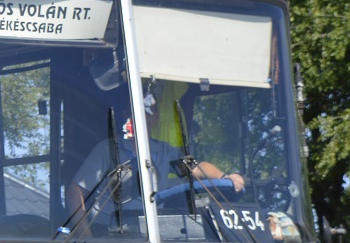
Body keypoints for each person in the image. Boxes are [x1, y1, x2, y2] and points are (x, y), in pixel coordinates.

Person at [67, 83, 244, 229]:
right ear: (126, 115)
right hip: (110, 233)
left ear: (156, 117)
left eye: (147, 112)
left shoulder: (166, 151)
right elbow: (75, 191)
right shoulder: (107, 149)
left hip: (150, 231)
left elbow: (195, 167)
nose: (141, 118)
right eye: (135, 112)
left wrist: (225, 177)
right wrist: (87, 240)